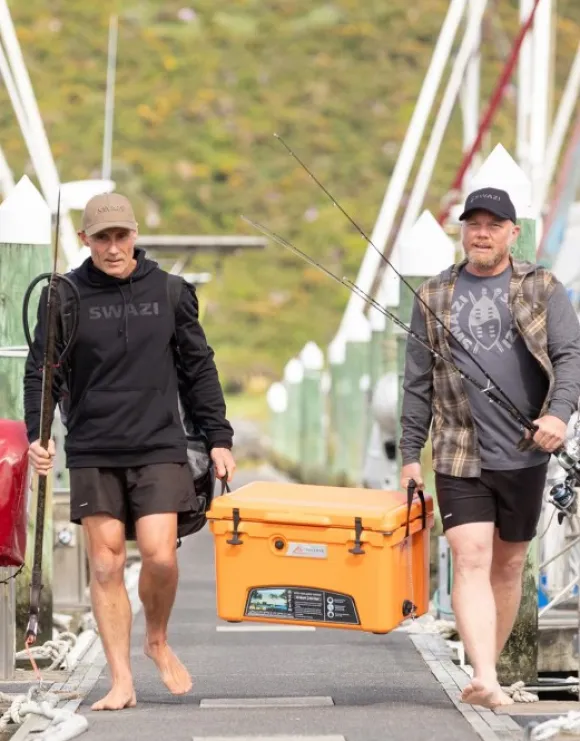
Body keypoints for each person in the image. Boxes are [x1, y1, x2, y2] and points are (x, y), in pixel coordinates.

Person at [24, 193, 236, 711]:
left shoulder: (170, 292)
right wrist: (38, 435)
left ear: (135, 235)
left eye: (121, 236)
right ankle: (121, 681)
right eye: (103, 238)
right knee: (105, 564)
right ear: (85, 240)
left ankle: (156, 639)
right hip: (93, 446)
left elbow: (198, 368)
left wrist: (219, 437)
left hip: (159, 442)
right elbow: (42, 373)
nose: (113, 247)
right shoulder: (64, 297)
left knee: (161, 555)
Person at [399, 186, 580, 710]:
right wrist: (411, 455)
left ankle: (490, 673)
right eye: (473, 224)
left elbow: (570, 356)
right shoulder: (433, 295)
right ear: (463, 231)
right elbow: (417, 384)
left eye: (493, 225)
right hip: (459, 451)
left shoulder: (542, 287)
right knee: (471, 556)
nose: (482, 233)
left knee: (509, 564)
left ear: (512, 233)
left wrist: (558, 414)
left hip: (526, 450)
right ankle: (483, 675)